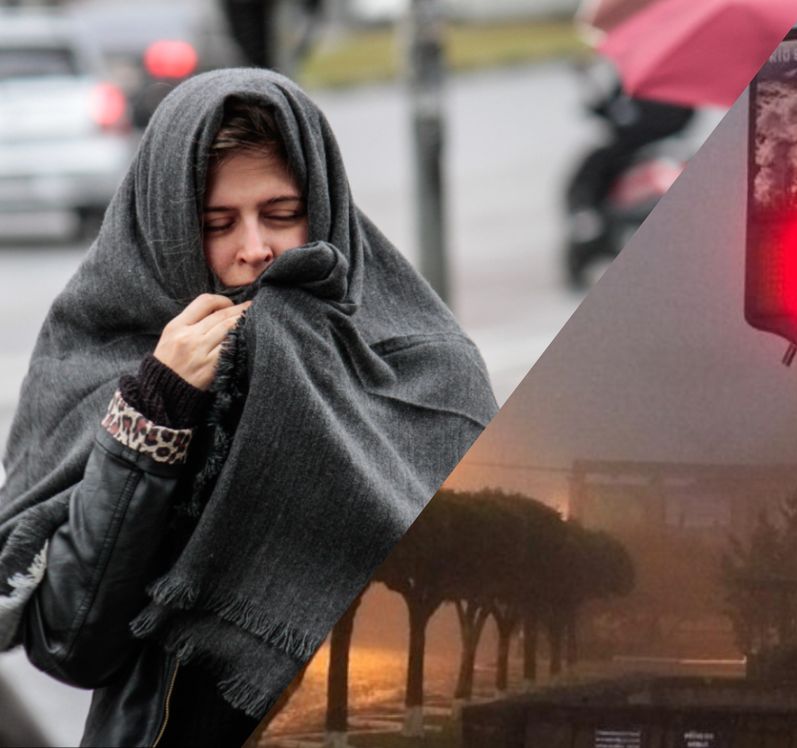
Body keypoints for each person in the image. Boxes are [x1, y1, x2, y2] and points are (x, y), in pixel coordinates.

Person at [0, 69, 497, 747]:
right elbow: (72, 643)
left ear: (322, 209)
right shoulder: (107, 361)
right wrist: (153, 415)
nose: (254, 250)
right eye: (216, 224)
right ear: (169, 229)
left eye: (282, 215)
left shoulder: (427, 367)